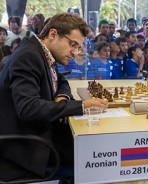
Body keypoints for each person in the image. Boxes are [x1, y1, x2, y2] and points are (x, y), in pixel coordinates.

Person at [0, 13, 108, 181]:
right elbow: (28, 109)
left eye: (78, 47)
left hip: (41, 133)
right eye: (72, 44)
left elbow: (61, 79)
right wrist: (82, 105)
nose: (75, 52)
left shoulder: (40, 52)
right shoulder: (28, 57)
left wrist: (62, 97)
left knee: (93, 145)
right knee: (96, 156)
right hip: (27, 148)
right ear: (53, 34)